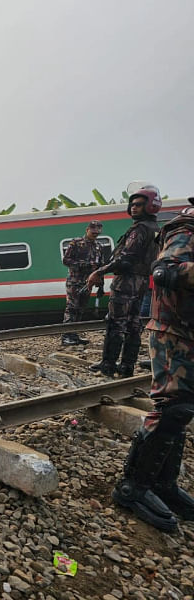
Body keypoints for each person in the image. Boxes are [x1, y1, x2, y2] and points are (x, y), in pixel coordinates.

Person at [111, 203, 194, 531]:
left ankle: (162, 484)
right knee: (172, 407)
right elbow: (165, 269)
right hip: (173, 331)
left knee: (182, 409)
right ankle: (132, 487)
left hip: (186, 330)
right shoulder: (185, 229)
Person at [87, 184, 161, 377]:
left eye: (138, 204)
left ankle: (108, 365)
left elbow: (126, 259)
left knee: (115, 323)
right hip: (142, 282)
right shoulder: (154, 228)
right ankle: (127, 365)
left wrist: (99, 272)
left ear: (150, 206)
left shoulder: (140, 229)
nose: (134, 208)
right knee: (133, 324)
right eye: (133, 204)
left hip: (126, 282)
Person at [60, 220, 105, 345]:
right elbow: (66, 260)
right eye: (93, 231)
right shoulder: (76, 243)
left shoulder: (99, 247)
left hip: (88, 283)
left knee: (80, 309)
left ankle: (74, 335)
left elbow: (100, 267)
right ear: (87, 230)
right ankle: (66, 336)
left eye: (97, 232)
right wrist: (84, 265)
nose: (95, 234)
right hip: (74, 281)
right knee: (72, 308)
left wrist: (101, 285)